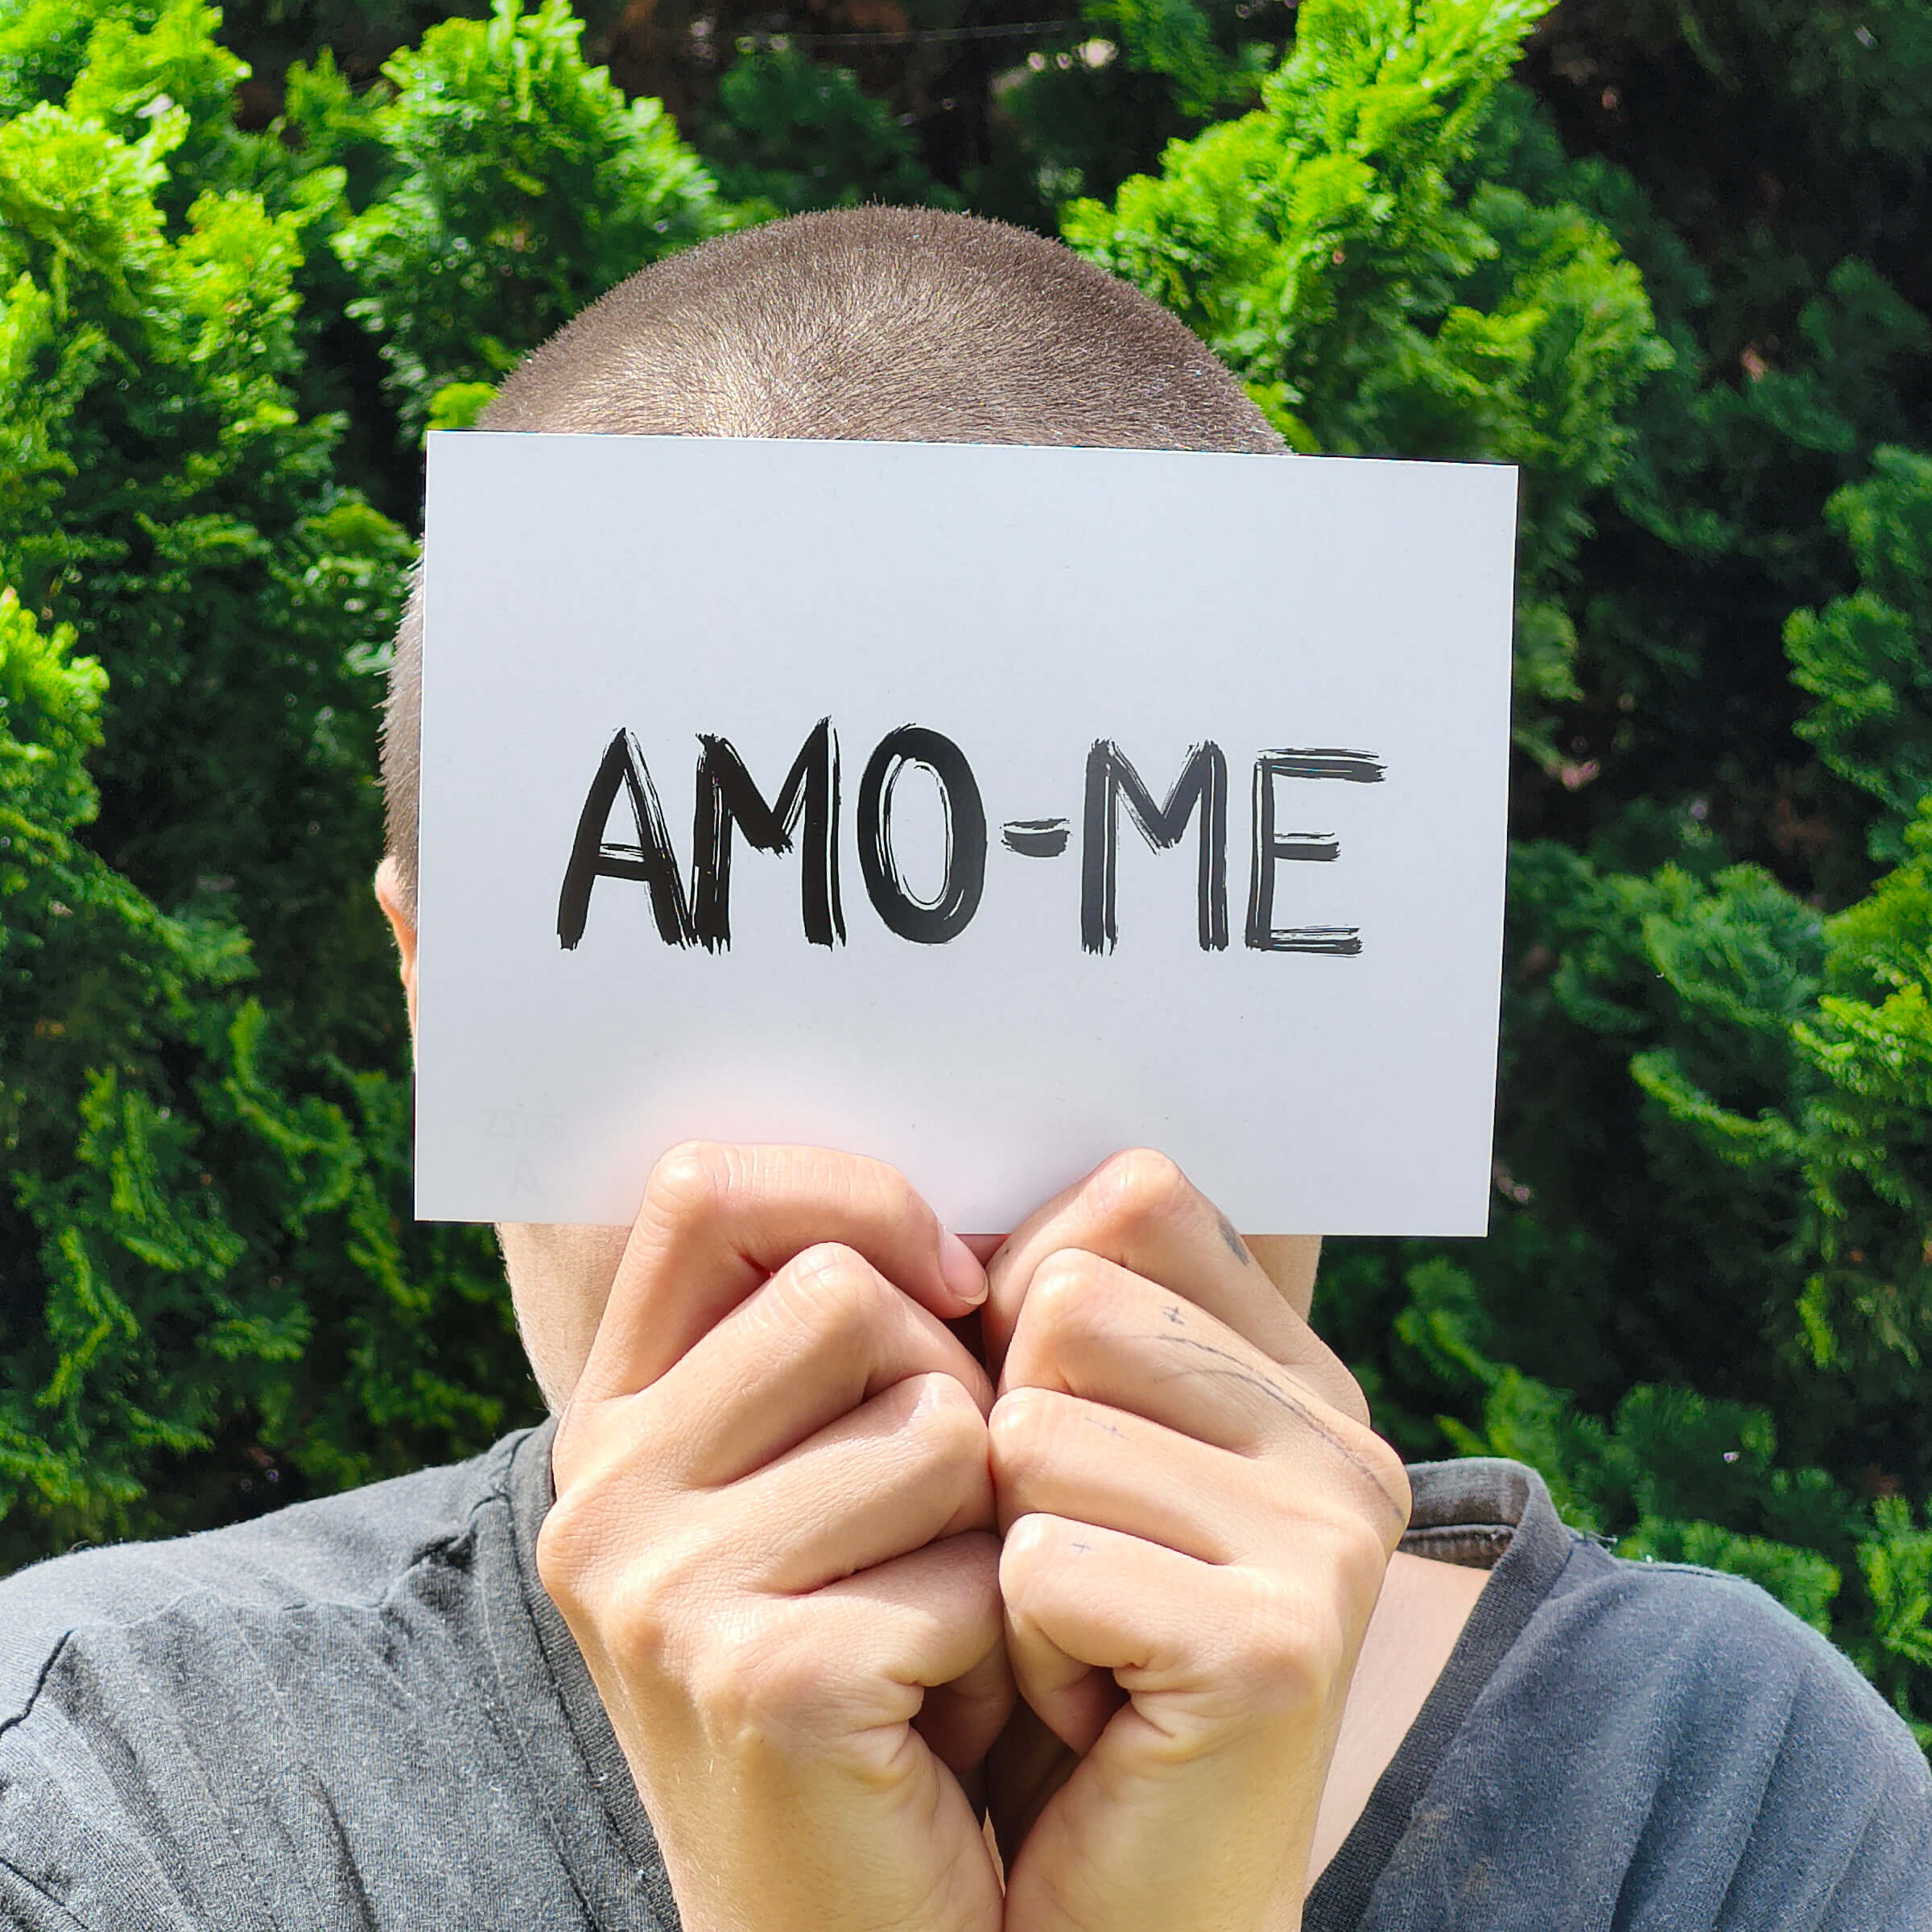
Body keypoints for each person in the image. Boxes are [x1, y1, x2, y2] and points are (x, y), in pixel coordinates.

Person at [2, 208, 1926, 1932]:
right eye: (733, 931)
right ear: (441, 1005)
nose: (922, 1229)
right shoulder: (111, 1796)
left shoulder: (1727, 1807)